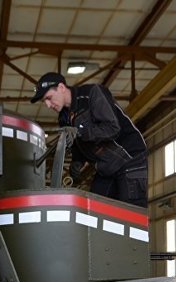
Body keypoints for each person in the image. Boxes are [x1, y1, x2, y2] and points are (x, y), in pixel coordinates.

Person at [30, 72, 149, 207]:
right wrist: (77, 161)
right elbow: (77, 143)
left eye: (49, 98)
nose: (48, 105)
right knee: (95, 208)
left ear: (62, 87)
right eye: (44, 101)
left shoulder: (92, 94)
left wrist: (80, 132)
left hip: (130, 159)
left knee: (132, 212)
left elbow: (112, 128)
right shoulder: (64, 118)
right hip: (106, 166)